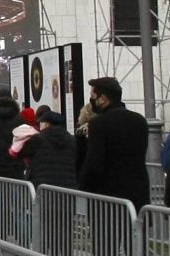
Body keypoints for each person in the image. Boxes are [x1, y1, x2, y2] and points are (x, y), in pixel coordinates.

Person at [78, 77, 152, 210]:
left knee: (108, 231)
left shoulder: (98, 124)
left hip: (108, 197)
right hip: (137, 193)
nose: (91, 101)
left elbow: (94, 162)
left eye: (93, 96)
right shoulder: (139, 120)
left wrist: (83, 186)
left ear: (103, 99)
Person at [23, 104, 77, 188]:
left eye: (41, 122)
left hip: (42, 187)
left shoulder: (38, 139)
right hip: (67, 189)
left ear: (47, 124)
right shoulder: (72, 140)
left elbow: (23, 152)